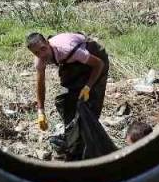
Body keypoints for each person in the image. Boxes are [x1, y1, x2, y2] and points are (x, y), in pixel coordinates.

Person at [27, 32, 110, 160]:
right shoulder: (40, 60)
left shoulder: (67, 49)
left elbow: (99, 64)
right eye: (37, 53)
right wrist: (40, 111)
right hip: (71, 62)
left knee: (89, 104)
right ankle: (74, 141)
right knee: (65, 101)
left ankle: (89, 146)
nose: (42, 55)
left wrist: (88, 86)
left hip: (94, 57)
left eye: (43, 49)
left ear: (48, 44)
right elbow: (40, 84)